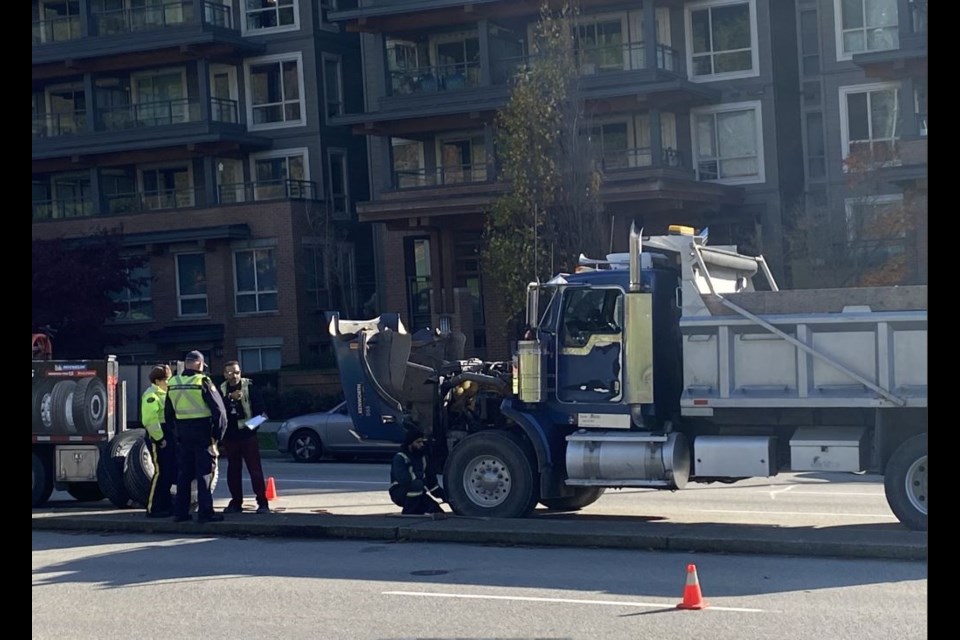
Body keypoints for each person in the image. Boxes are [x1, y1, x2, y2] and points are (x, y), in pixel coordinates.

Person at [165, 350, 227, 523]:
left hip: (183, 434)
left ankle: (181, 512)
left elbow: (168, 415)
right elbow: (220, 412)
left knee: (184, 474)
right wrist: (217, 436)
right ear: (199, 364)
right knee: (205, 473)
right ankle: (205, 513)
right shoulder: (203, 381)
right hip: (202, 432)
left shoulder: (173, 382)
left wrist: (176, 434)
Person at [219, 360, 270, 514]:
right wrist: (230, 398)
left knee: (255, 469)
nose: (233, 375)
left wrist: (249, 428)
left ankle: (262, 502)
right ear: (224, 374)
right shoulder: (221, 390)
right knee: (233, 470)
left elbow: (263, 414)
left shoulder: (250, 388)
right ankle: (236, 502)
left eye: (236, 372)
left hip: (248, 436)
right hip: (230, 437)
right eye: (230, 372)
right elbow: (217, 408)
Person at [140, 364, 176, 518]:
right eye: (166, 379)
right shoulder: (151, 395)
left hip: (167, 434)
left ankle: (166, 505)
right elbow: (150, 420)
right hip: (158, 437)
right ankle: (153, 508)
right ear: (158, 380)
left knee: (168, 472)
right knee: (160, 472)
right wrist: (160, 439)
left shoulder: (165, 393)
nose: (169, 382)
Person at [389, 426, 445, 515]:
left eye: (422, 442)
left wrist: (446, 497)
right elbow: (404, 479)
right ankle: (408, 513)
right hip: (400, 492)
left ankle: (417, 510)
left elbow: (432, 484)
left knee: (436, 511)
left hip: (418, 492)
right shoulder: (400, 457)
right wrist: (421, 479)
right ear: (410, 444)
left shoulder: (423, 458)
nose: (421, 445)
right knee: (417, 485)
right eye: (418, 442)